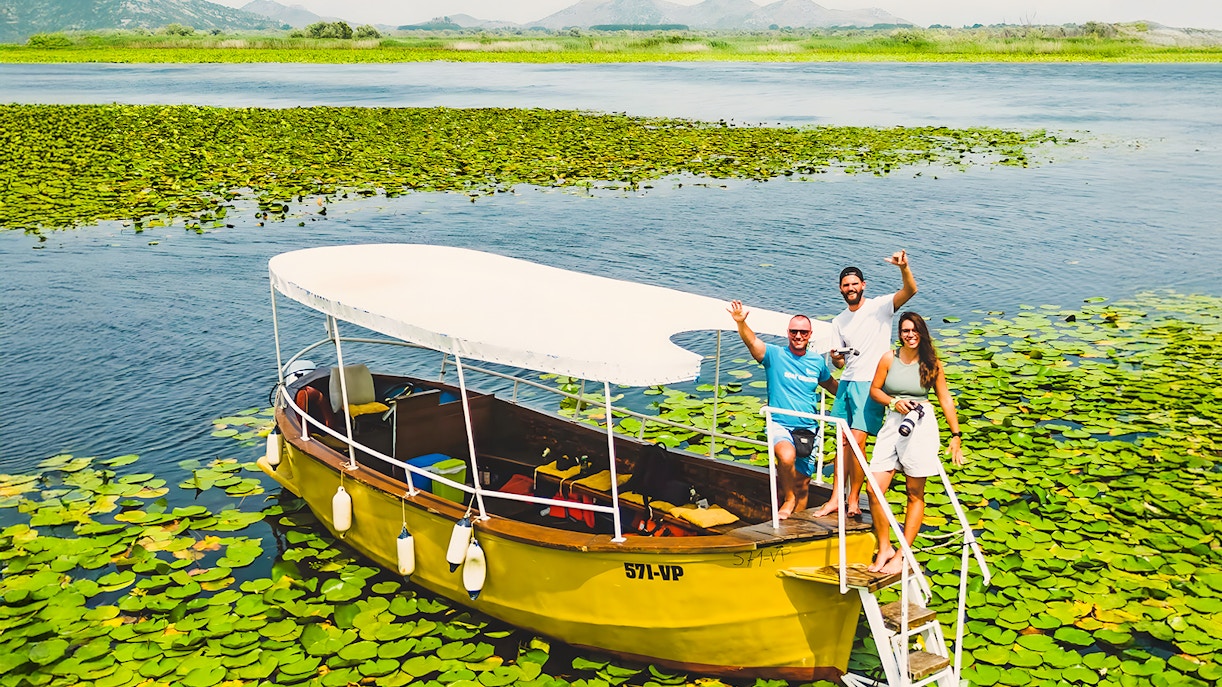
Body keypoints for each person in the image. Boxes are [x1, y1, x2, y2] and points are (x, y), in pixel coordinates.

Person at [813, 250, 917, 517]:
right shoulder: (839, 321)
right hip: (848, 382)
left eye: (854, 284)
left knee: (857, 442)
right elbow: (839, 362)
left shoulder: (880, 306)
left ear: (863, 286)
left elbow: (910, 290)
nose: (850, 289)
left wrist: (903, 267)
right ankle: (836, 497)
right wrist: (836, 358)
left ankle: (853, 500)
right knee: (841, 443)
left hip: (870, 383)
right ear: (840, 289)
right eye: (846, 285)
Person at [866, 312, 964, 575]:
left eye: (914, 330)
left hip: (921, 424)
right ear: (900, 333)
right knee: (874, 488)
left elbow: (945, 399)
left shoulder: (932, 363)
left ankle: (902, 554)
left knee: (914, 492)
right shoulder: (889, 358)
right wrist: (892, 402)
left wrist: (956, 435)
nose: (909, 335)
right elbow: (875, 390)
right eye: (904, 330)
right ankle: (885, 546)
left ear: (921, 332)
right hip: (893, 422)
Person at [728, 301, 838, 519]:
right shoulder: (774, 355)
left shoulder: (817, 362)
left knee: (803, 484)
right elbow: (753, 343)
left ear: (810, 334)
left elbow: (832, 386)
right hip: (780, 423)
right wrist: (742, 323)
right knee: (786, 458)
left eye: (803, 332)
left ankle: (794, 526)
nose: (798, 336)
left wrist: (860, 397)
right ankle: (789, 500)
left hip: (808, 428)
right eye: (794, 331)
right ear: (787, 333)